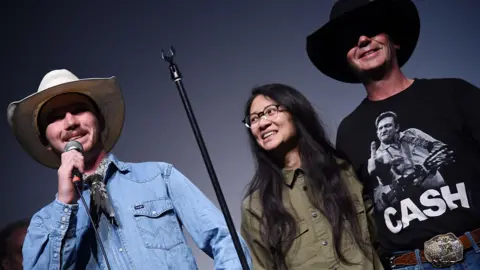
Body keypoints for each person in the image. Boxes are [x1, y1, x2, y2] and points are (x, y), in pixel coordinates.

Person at [7, 69, 252, 269]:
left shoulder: (159, 177)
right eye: (56, 116)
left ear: (99, 120)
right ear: (45, 141)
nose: (71, 122)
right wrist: (65, 202)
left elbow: (226, 239)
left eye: (79, 109)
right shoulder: (42, 224)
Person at [306, 0, 480, 269]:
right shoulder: (349, 131)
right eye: (351, 40)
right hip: (408, 263)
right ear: (347, 59)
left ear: (395, 41)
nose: (363, 40)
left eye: (371, 30)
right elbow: (364, 208)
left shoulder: (454, 93)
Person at [239, 83, 383, 270]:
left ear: (295, 111)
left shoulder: (345, 171)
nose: (263, 123)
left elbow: (381, 240)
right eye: (254, 119)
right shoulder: (255, 207)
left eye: (271, 111)